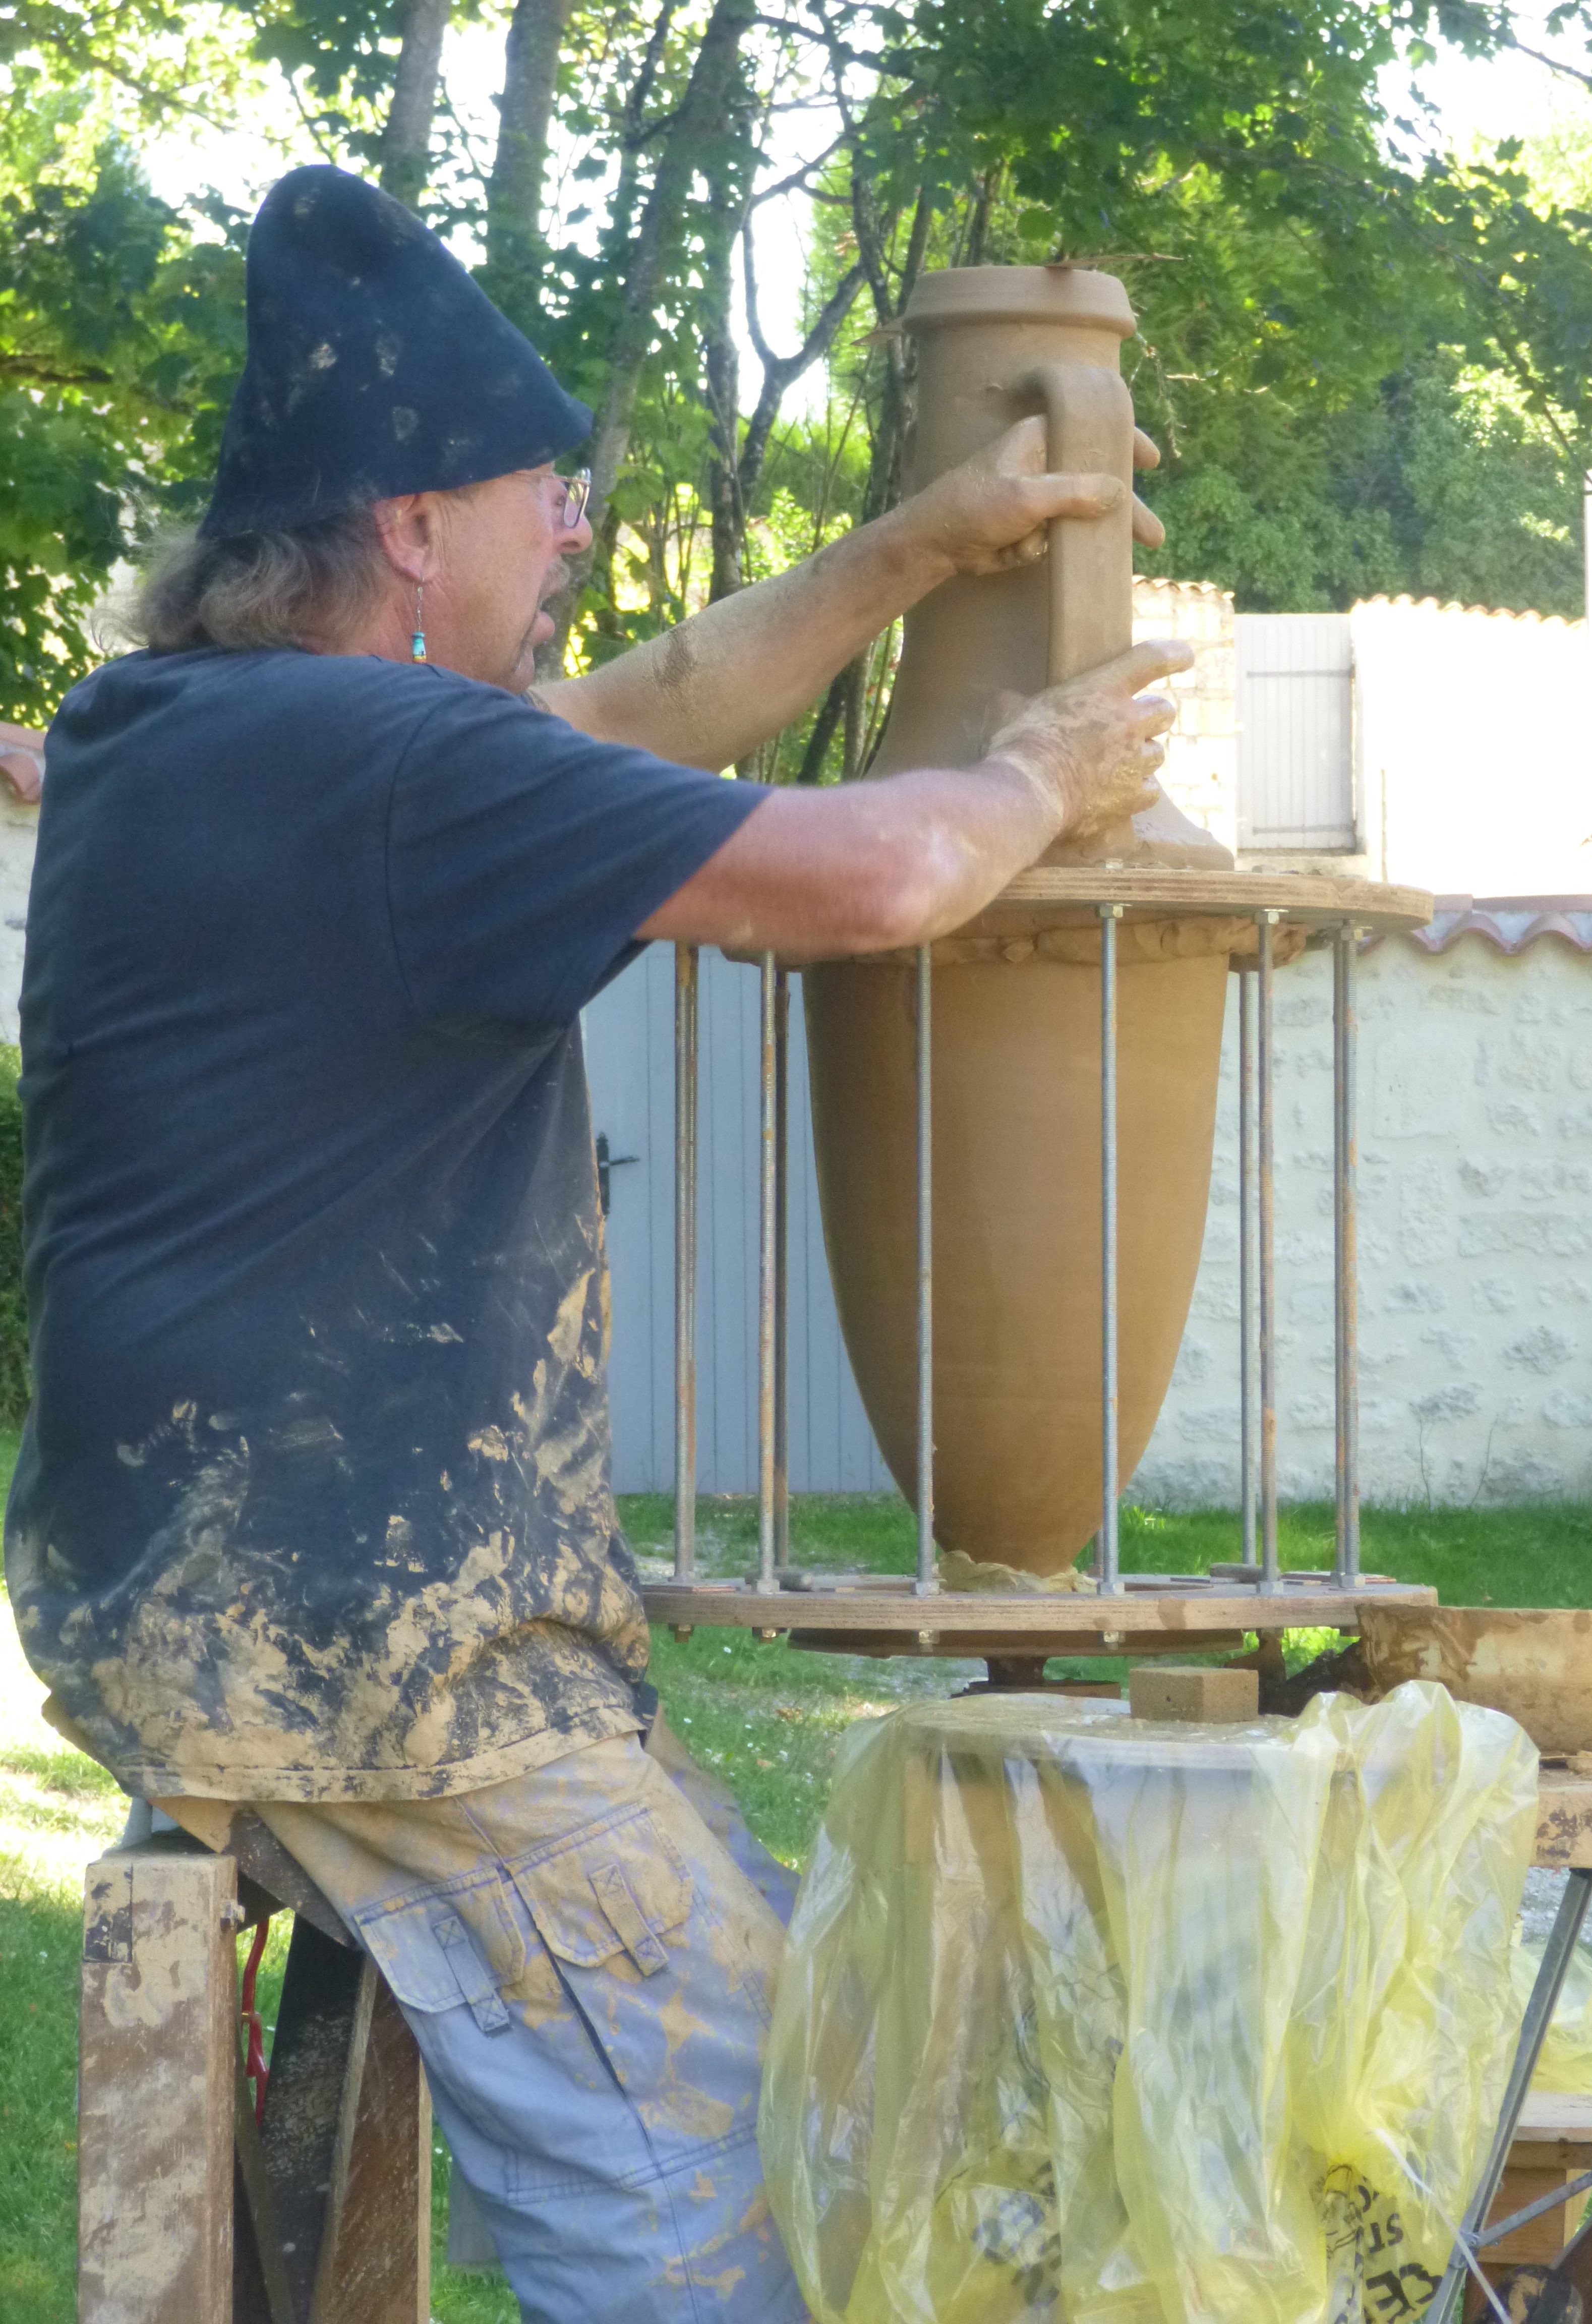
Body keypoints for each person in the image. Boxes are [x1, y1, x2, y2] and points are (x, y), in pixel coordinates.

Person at [4, 164, 1188, 2323]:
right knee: (743, 2182)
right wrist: (1036, 775)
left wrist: (921, 550)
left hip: (179, 1599)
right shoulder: (387, 767)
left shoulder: (180, 737)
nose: (566, 538)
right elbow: (873, 881)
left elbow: (640, 710)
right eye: (538, 500)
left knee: (751, 1965)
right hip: (371, 1649)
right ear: (407, 529)